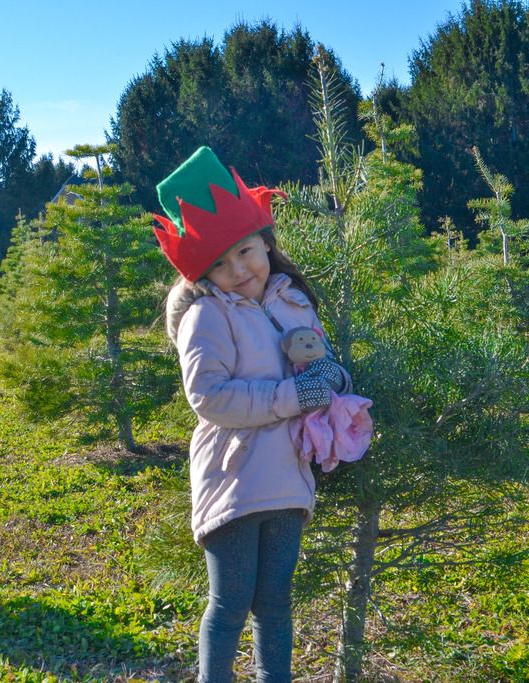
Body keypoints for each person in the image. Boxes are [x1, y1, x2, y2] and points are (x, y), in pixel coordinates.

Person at [152, 146, 350, 682]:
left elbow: (321, 363)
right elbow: (210, 398)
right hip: (234, 481)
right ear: (201, 271)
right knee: (230, 603)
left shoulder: (292, 299)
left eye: (245, 251)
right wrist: (294, 398)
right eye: (220, 263)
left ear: (265, 240)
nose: (238, 270)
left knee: (275, 605)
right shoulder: (206, 316)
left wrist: (334, 381)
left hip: (289, 476)